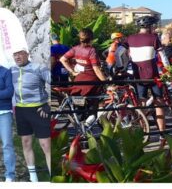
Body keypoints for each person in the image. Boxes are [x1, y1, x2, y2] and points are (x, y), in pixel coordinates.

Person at [125, 16, 168, 145]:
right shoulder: (154, 38)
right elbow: (163, 56)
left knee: (142, 104)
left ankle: (144, 134)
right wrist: (168, 70)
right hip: (153, 76)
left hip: (138, 75)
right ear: (149, 27)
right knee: (159, 104)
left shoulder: (130, 38)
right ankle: (162, 135)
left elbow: (122, 52)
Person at [11, 47, 51, 182]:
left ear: (27, 54)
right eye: (15, 54)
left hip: (39, 110)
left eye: (20, 54)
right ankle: (33, 178)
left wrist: (49, 104)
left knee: (45, 144)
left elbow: (52, 82)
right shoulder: (12, 70)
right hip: (21, 111)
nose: (17, 57)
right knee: (26, 143)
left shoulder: (39, 67)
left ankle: (52, 175)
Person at [60, 28, 106, 124]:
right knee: (94, 106)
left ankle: (82, 127)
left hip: (79, 81)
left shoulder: (75, 49)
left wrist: (72, 71)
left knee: (80, 107)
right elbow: (96, 70)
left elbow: (62, 59)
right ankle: (88, 124)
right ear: (91, 38)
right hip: (91, 83)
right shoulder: (91, 51)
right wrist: (106, 82)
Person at [0, 65, 16, 182]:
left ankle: (10, 175)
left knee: (7, 144)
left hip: (4, 112)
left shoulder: (5, 72)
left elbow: (10, 91)